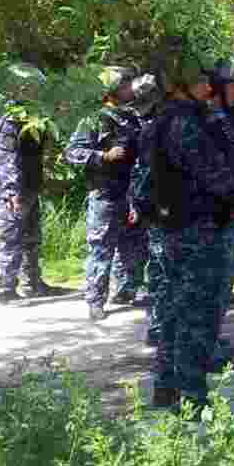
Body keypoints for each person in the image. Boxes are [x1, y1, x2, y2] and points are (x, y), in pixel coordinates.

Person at [149, 54, 234, 414]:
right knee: (197, 317)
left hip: (181, 227)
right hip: (199, 230)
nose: (209, 87)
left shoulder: (168, 120)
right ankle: (191, 398)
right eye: (201, 82)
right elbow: (216, 175)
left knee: (176, 313)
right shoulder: (185, 124)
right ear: (181, 86)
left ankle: (166, 388)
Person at [64, 65, 143, 320]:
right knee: (101, 249)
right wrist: (103, 156)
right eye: (126, 85)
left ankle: (125, 291)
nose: (131, 89)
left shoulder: (131, 117)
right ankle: (95, 300)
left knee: (132, 247)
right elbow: (72, 152)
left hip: (130, 193)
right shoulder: (95, 119)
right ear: (113, 89)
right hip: (105, 194)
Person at [0, 63, 62, 303]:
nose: (34, 92)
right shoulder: (8, 122)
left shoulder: (29, 119)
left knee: (31, 238)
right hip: (13, 192)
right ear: (17, 88)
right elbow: (6, 160)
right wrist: (12, 193)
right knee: (9, 238)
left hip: (29, 188)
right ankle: (4, 288)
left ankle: (32, 283)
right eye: (30, 88)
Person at [204, 59, 234, 371]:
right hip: (211, 214)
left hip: (230, 211)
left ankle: (211, 337)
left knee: (222, 281)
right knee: (210, 282)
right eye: (233, 86)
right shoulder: (208, 120)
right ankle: (204, 346)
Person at [127, 73, 168, 351]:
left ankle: (159, 329)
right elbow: (141, 172)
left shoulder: (150, 125)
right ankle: (159, 330)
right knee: (161, 272)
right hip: (159, 211)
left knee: (159, 271)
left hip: (156, 208)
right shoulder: (151, 128)